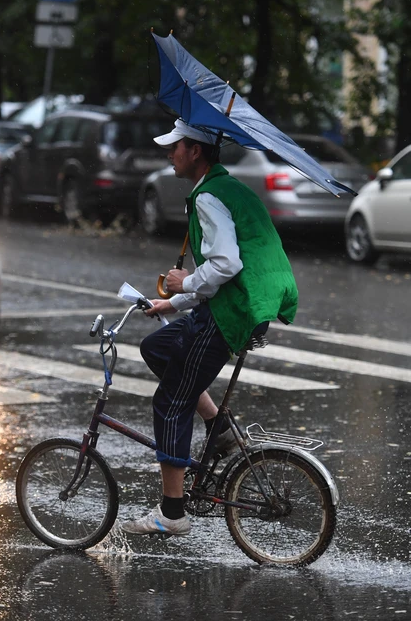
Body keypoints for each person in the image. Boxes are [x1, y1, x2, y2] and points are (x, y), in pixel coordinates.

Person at [121, 119, 299, 536]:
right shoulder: (226, 188)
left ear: (195, 151)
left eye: (175, 147)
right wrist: (175, 300)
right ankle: (219, 427)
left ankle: (172, 513)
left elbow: (226, 265)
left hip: (232, 312)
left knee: (170, 403)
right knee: (158, 348)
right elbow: (224, 268)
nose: (169, 153)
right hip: (241, 304)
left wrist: (187, 282)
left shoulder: (209, 198)